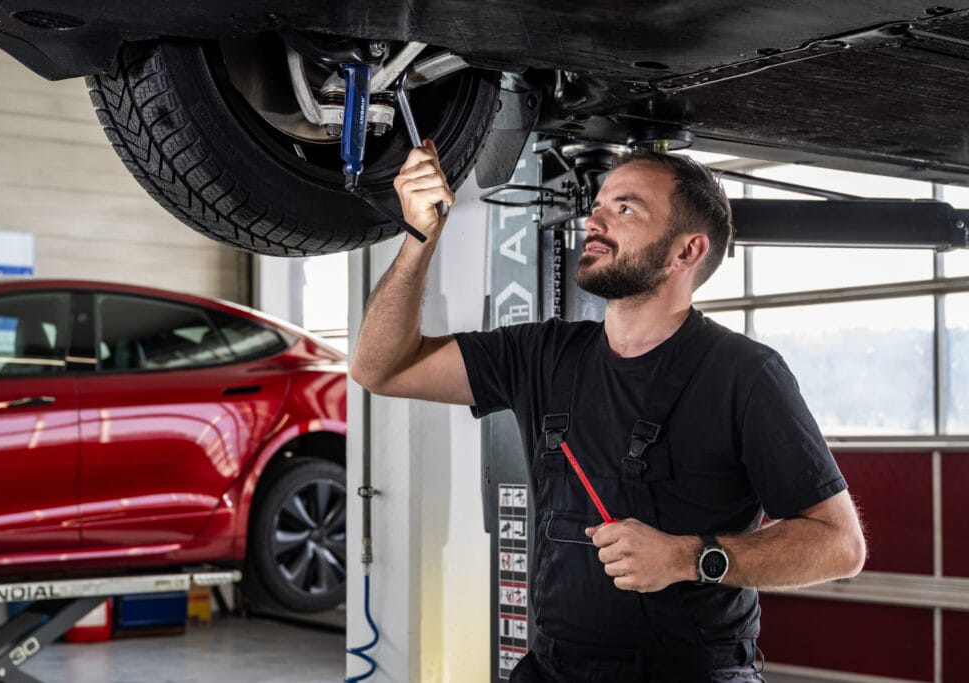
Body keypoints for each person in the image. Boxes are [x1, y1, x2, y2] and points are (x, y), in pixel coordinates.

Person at [350, 140, 866, 683]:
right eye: (598, 204)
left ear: (686, 252)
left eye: (625, 208)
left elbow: (839, 543)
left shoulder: (745, 374)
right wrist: (418, 239)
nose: (593, 219)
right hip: (551, 667)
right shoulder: (541, 355)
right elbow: (380, 369)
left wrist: (691, 557)